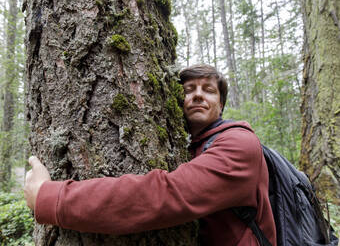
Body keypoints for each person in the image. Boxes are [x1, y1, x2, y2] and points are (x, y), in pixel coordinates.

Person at [24, 64, 277, 245]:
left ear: (221, 105)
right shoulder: (192, 147)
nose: (198, 94)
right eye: (188, 89)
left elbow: (165, 194)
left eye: (209, 90)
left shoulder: (239, 144)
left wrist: (52, 198)